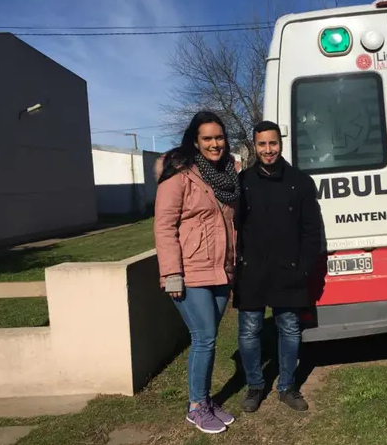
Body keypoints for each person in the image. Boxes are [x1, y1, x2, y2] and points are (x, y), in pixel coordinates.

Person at [153, 111, 240, 434]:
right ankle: (195, 407)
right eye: (208, 138)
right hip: (189, 272)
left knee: (209, 338)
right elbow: (164, 227)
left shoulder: (228, 174)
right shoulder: (179, 175)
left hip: (221, 270)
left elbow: (230, 225)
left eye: (219, 137)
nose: (215, 144)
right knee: (204, 338)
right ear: (195, 141)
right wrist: (171, 273)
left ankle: (203, 399)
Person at [234, 120, 322, 413]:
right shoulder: (243, 182)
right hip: (253, 271)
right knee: (248, 332)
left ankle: (287, 387)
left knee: (289, 329)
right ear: (254, 145)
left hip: (290, 270)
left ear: (280, 144)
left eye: (273, 143)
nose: (268, 150)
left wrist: (304, 267)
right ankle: (255, 386)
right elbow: (232, 226)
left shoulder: (300, 181)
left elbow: (312, 231)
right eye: (262, 144)